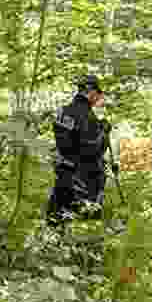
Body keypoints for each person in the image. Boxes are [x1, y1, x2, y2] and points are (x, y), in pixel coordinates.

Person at [47, 75, 110, 229]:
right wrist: (104, 133)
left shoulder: (63, 112)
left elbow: (63, 143)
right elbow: (93, 149)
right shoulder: (89, 117)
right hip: (84, 180)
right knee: (86, 229)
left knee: (57, 224)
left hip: (63, 176)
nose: (99, 97)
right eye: (98, 93)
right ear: (91, 92)